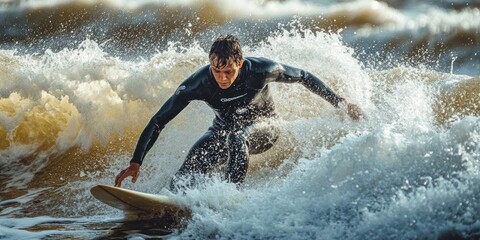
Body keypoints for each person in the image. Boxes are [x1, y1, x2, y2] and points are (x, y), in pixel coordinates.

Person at [114, 35, 363, 190]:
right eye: (216, 70)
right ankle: (173, 203)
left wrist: (339, 102)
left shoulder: (260, 70)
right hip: (223, 130)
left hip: (266, 129)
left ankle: (229, 198)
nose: (222, 78)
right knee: (191, 164)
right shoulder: (197, 83)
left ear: (240, 64)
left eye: (229, 72)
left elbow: (304, 76)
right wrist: (136, 162)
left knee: (237, 138)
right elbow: (158, 120)